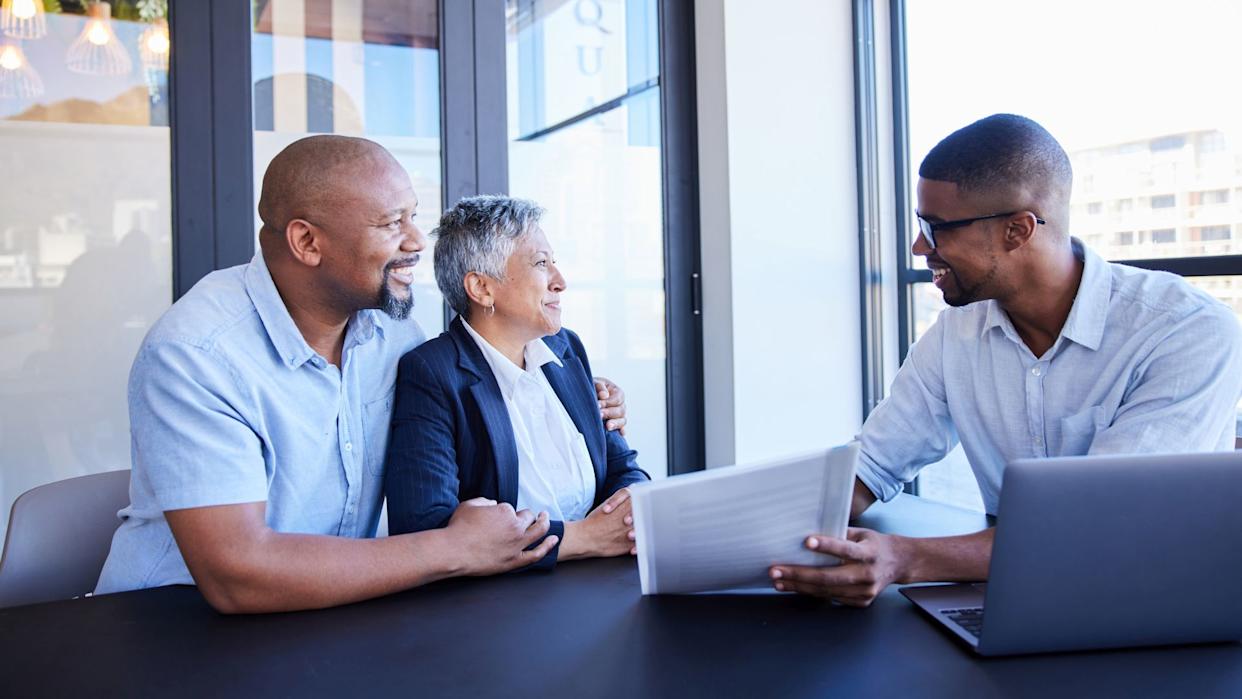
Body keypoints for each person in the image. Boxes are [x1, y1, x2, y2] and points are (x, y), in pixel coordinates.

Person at [94, 136, 629, 613]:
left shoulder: (393, 335)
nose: (418, 240)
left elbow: (471, 415)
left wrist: (576, 400)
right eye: (392, 223)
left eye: (413, 216)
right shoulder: (195, 353)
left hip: (343, 610)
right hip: (177, 622)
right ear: (308, 243)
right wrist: (450, 548)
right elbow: (239, 574)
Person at [769, 114, 1242, 606]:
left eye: (936, 229)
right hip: (1019, 592)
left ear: (1017, 230)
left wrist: (904, 557)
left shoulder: (1187, 330)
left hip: (1158, 603)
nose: (919, 247)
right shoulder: (958, 332)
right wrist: (754, 533)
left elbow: (1105, 524)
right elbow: (871, 465)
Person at [384, 196, 650, 567]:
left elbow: (623, 468)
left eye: (554, 263)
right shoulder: (431, 373)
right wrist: (583, 539)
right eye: (542, 264)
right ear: (481, 288)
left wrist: (633, 514)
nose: (560, 282)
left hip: (603, 581)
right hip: (501, 608)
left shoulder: (566, 347)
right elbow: (426, 526)